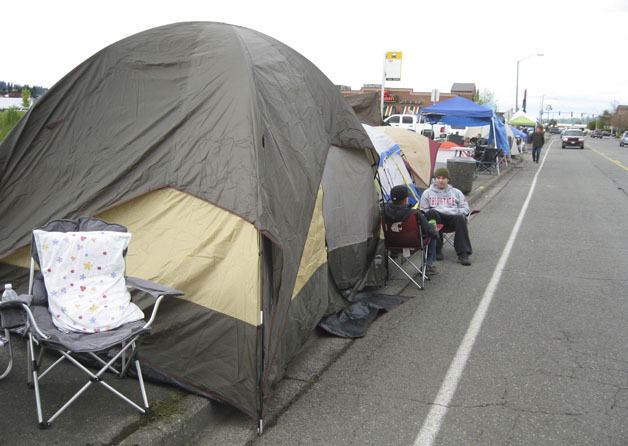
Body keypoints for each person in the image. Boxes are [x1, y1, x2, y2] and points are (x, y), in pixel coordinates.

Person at [419, 167, 473, 266]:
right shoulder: (427, 193)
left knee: (461, 217)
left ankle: (463, 254)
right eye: (438, 178)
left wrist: (456, 212)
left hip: (452, 218)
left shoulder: (456, 192)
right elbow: (423, 211)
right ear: (434, 179)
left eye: (443, 178)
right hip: (436, 218)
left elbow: (465, 208)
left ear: (448, 179)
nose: (440, 180)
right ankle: (437, 249)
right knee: (432, 213)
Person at [383, 185, 439, 274]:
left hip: (390, 243)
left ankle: (394, 254)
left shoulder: (383, 212)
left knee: (396, 233)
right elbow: (429, 231)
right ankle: (428, 265)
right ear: (405, 199)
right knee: (432, 234)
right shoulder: (414, 214)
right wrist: (435, 232)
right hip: (413, 243)